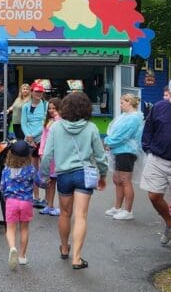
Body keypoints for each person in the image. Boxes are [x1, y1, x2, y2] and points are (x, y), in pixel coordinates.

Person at [40, 92, 108, 269]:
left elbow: (47, 155)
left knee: (64, 214)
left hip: (64, 174)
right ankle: (77, 258)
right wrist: (103, 174)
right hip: (84, 174)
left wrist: (45, 175)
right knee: (81, 215)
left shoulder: (56, 127)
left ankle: (64, 248)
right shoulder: (91, 128)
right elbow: (100, 156)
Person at [139, 78, 171, 247]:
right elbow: (148, 129)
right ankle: (170, 223)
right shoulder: (159, 107)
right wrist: (147, 148)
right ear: (170, 92)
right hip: (157, 158)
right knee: (154, 196)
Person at [102, 94, 144, 220]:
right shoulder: (126, 116)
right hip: (119, 150)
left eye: (122, 103)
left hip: (127, 151)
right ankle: (117, 207)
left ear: (129, 102)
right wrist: (110, 143)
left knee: (125, 180)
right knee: (117, 180)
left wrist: (108, 142)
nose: (120, 105)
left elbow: (122, 135)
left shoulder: (133, 118)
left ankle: (128, 211)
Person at [0, 140, 38, 269]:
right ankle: (22, 256)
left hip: (11, 201)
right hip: (26, 202)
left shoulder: (6, 170)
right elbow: (40, 182)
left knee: (10, 229)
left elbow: (2, 187)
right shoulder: (30, 170)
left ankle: (12, 248)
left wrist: (6, 197)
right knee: (24, 229)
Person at [22, 82, 48, 208]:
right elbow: (23, 123)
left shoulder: (46, 105)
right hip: (29, 141)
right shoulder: (25, 106)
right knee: (33, 169)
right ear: (31, 92)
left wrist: (33, 135)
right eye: (36, 91)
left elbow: (45, 123)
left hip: (42, 139)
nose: (38, 93)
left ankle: (47, 199)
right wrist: (28, 136)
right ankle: (35, 197)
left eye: (40, 91)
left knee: (46, 169)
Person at [38, 98, 62, 216]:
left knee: (61, 183)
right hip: (48, 156)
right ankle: (49, 205)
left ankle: (62, 207)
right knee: (50, 181)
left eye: (54, 108)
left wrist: (57, 117)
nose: (51, 110)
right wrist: (41, 152)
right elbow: (43, 137)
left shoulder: (61, 121)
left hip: (59, 156)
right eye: (50, 108)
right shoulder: (48, 121)